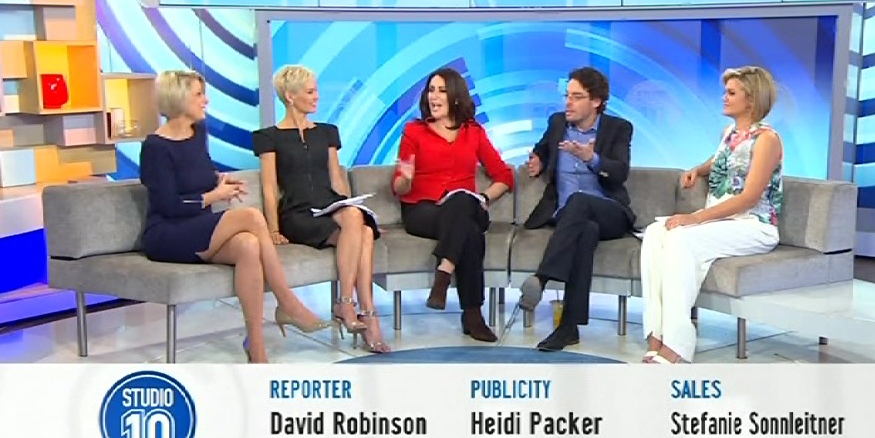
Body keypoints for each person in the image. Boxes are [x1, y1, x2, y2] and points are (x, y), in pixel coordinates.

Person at [139, 70, 335, 364]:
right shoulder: (155, 147)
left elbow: (200, 177)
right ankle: (287, 303)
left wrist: (220, 182)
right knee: (252, 217)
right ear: (178, 98)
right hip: (167, 234)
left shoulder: (198, 133)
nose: (206, 100)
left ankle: (256, 347)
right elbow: (168, 204)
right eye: (198, 94)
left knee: (248, 245)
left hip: (196, 226)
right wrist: (214, 196)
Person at [641, 65, 783, 364]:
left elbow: (749, 197)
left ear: (751, 99)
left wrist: (696, 218)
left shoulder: (767, 139)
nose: (724, 97)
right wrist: (697, 169)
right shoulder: (729, 133)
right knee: (654, 234)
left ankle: (678, 345)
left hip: (753, 225)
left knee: (680, 239)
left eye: (731, 93)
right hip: (721, 222)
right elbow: (722, 158)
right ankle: (657, 334)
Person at [253, 65, 390, 354]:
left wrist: (355, 212)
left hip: (329, 207)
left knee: (362, 227)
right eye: (311, 92)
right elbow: (269, 187)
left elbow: (337, 179)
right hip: (297, 214)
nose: (317, 97)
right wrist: (273, 229)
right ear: (290, 96)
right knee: (363, 233)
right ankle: (362, 314)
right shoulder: (268, 137)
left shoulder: (327, 132)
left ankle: (352, 306)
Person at [392, 66, 514, 342]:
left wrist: (484, 198)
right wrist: (405, 179)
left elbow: (504, 176)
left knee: (462, 199)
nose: (434, 96)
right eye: (431, 90)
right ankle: (473, 315)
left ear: (456, 97)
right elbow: (399, 186)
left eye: (442, 91)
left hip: (466, 205)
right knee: (470, 232)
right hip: (423, 210)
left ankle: (443, 273)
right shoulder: (413, 132)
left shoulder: (474, 132)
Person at [518, 67, 636, 352]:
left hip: (609, 211)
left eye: (577, 97)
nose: (568, 103)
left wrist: (591, 158)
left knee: (580, 202)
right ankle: (568, 328)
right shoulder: (557, 122)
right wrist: (538, 159)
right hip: (569, 217)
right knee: (585, 231)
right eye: (567, 96)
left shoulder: (619, 128)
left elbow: (620, 172)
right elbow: (543, 148)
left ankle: (542, 277)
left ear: (596, 101)